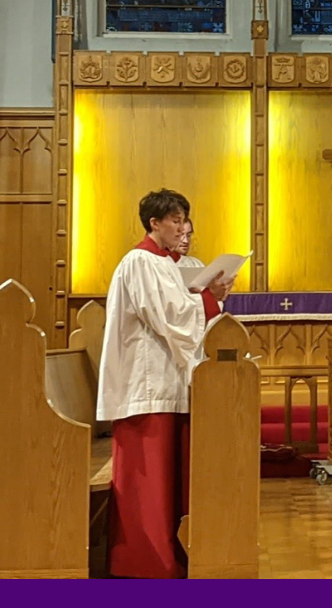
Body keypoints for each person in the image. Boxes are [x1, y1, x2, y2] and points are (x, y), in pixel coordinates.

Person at [95, 189, 234, 579]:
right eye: (175, 220)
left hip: (176, 385)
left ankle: (182, 556)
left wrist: (214, 297)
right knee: (149, 487)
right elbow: (171, 316)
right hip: (147, 390)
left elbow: (194, 320)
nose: (182, 227)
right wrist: (209, 298)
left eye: (184, 219)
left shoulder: (181, 265)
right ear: (154, 223)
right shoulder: (140, 262)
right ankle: (147, 565)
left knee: (174, 484)